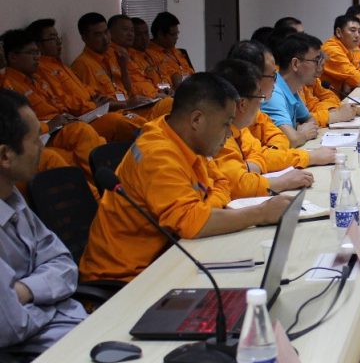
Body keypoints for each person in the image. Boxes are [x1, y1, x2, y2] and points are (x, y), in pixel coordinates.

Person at [79, 73, 292, 283]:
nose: (229, 134)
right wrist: (261, 214)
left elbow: (223, 184)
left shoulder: (184, 138)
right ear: (197, 119)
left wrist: (204, 211)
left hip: (171, 256)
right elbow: (193, 223)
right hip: (126, 278)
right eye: (226, 124)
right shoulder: (158, 154)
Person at [0, 89, 87, 363]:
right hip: (37, 360)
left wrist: (26, 290)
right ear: (5, 155)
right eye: (36, 139)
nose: (42, 147)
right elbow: (11, 326)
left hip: (74, 331)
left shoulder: (12, 197)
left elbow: (64, 263)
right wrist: (53, 301)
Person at [0, 29, 107, 175]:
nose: (37, 57)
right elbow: (17, 126)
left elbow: (62, 102)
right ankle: (100, 182)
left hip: (62, 124)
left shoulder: (37, 79)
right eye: (31, 53)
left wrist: (67, 116)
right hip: (43, 134)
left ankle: (107, 178)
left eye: (37, 52)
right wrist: (49, 125)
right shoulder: (7, 85)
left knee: (97, 140)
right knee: (82, 132)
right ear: (13, 57)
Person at [210, 58, 314, 198]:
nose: (262, 101)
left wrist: (252, 165)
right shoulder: (219, 133)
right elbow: (237, 186)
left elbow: (265, 150)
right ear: (242, 104)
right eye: (259, 96)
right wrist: (282, 182)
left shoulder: (238, 126)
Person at [26, 18, 141, 142]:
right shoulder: (45, 70)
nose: (58, 42)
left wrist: (101, 100)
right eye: (53, 39)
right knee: (123, 123)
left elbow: (89, 91)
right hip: (85, 117)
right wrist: (95, 105)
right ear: (37, 45)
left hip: (103, 109)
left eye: (58, 37)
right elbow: (64, 101)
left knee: (139, 120)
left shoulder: (60, 65)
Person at [229, 40, 335, 170]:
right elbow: (241, 171)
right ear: (252, 78)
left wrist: (270, 156)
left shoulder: (256, 111)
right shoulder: (229, 119)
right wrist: (308, 156)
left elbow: (280, 139)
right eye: (273, 75)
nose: (276, 81)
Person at [261, 32, 323, 147]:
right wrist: (303, 134)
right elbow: (291, 140)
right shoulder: (273, 92)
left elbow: (311, 120)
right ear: (295, 64)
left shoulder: (291, 89)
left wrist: (300, 132)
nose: (319, 68)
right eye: (316, 61)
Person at [108, 14, 163, 98]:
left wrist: (159, 91)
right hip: (141, 100)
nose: (130, 34)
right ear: (110, 32)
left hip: (152, 96)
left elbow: (143, 80)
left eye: (132, 30)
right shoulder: (109, 56)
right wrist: (155, 95)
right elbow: (130, 89)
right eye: (125, 29)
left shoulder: (132, 54)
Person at [322, 14, 360, 96]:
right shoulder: (332, 50)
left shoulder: (349, 48)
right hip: (326, 99)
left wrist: (348, 82)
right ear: (338, 32)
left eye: (359, 31)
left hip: (339, 97)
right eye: (353, 30)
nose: (357, 35)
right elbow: (359, 80)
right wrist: (351, 81)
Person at [145, 11, 194, 89]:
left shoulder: (177, 52)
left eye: (177, 34)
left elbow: (191, 74)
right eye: (173, 34)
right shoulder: (148, 55)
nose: (176, 37)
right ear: (160, 34)